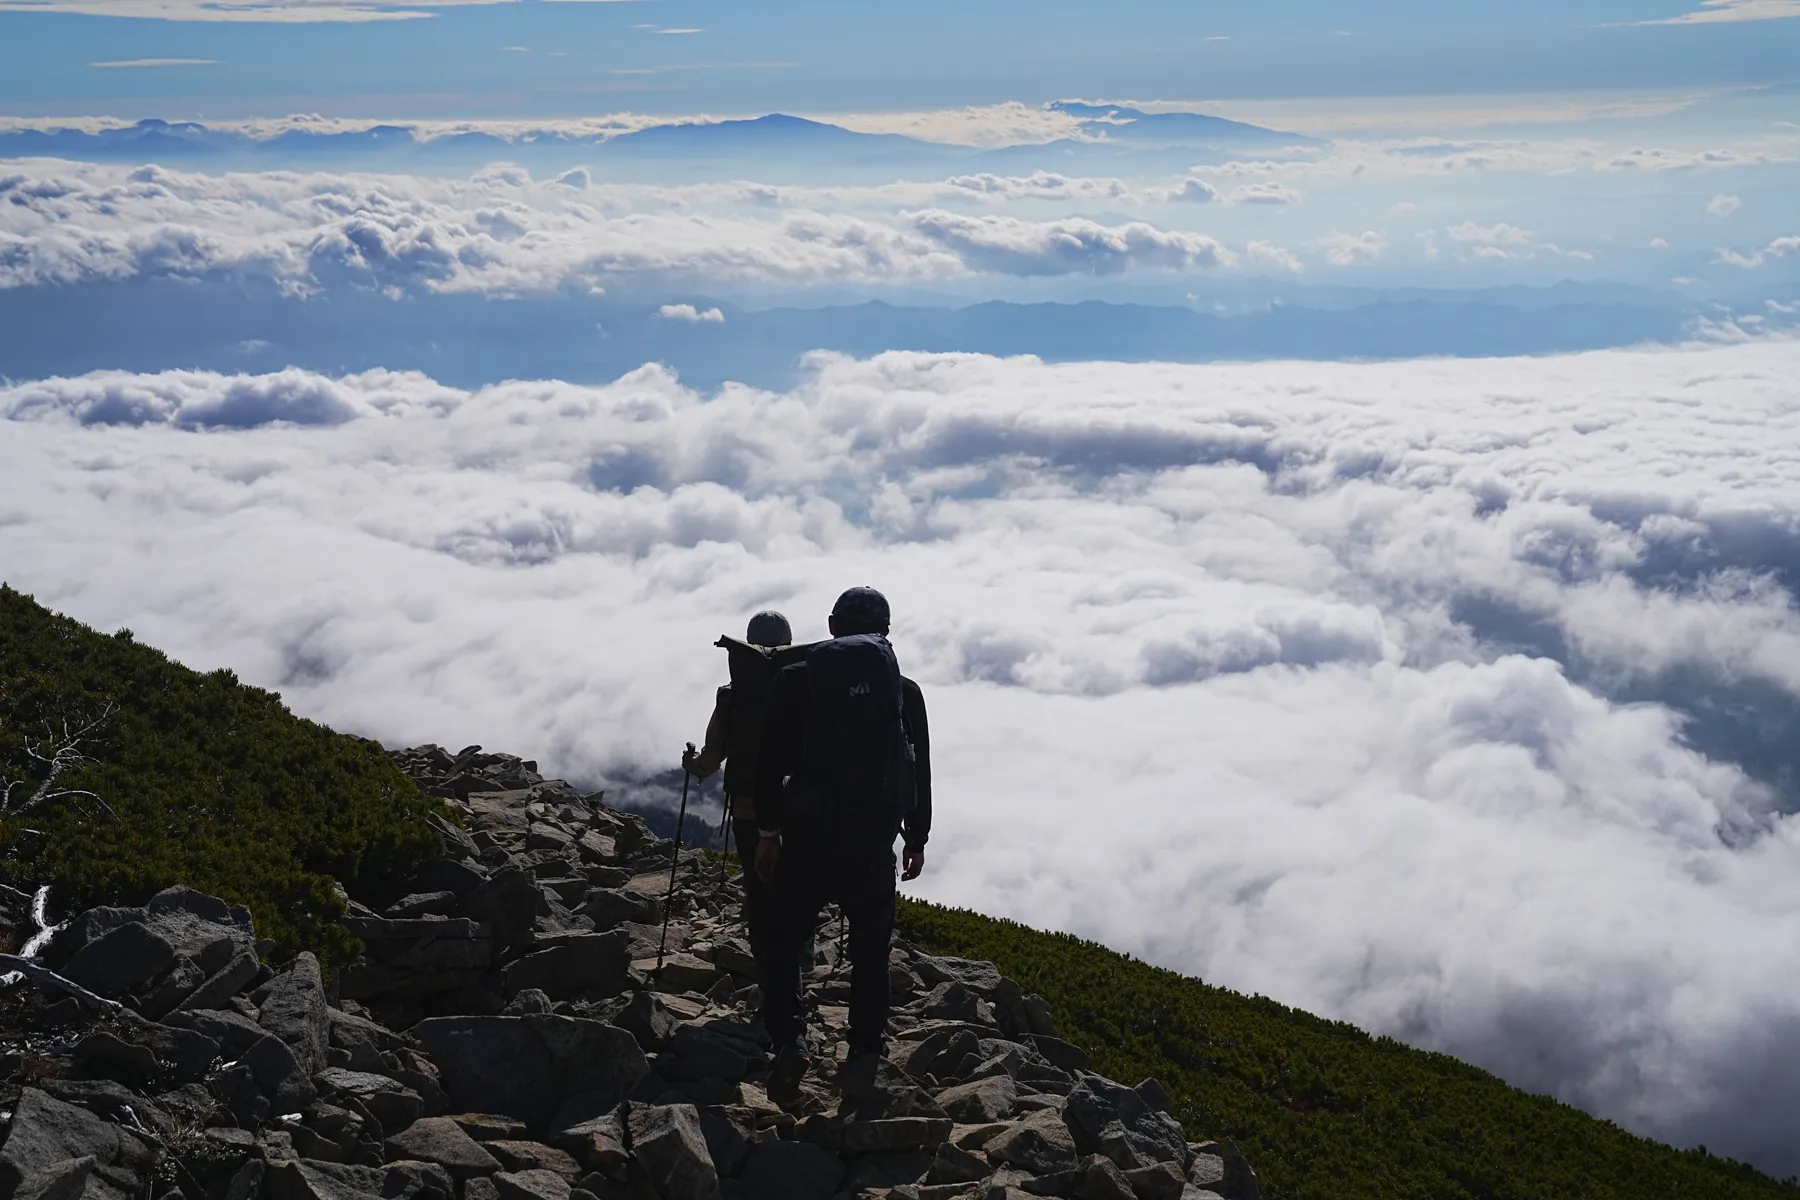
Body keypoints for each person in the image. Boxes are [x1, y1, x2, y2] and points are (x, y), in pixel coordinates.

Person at [753, 586, 932, 1102]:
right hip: (872, 843)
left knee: (785, 943)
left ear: (831, 627)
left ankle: (790, 1042)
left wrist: (768, 834)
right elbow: (918, 769)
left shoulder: (793, 680)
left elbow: (768, 765)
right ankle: (864, 1055)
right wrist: (916, 837)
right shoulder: (904, 690)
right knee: (871, 953)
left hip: (805, 839)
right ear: (886, 631)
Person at [683, 610, 793, 990]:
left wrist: (692, 765)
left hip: (749, 811)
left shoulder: (733, 696)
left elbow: (711, 761)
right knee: (795, 890)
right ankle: (795, 972)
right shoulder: (805, 688)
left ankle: (770, 986)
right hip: (798, 811)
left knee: (760, 894)